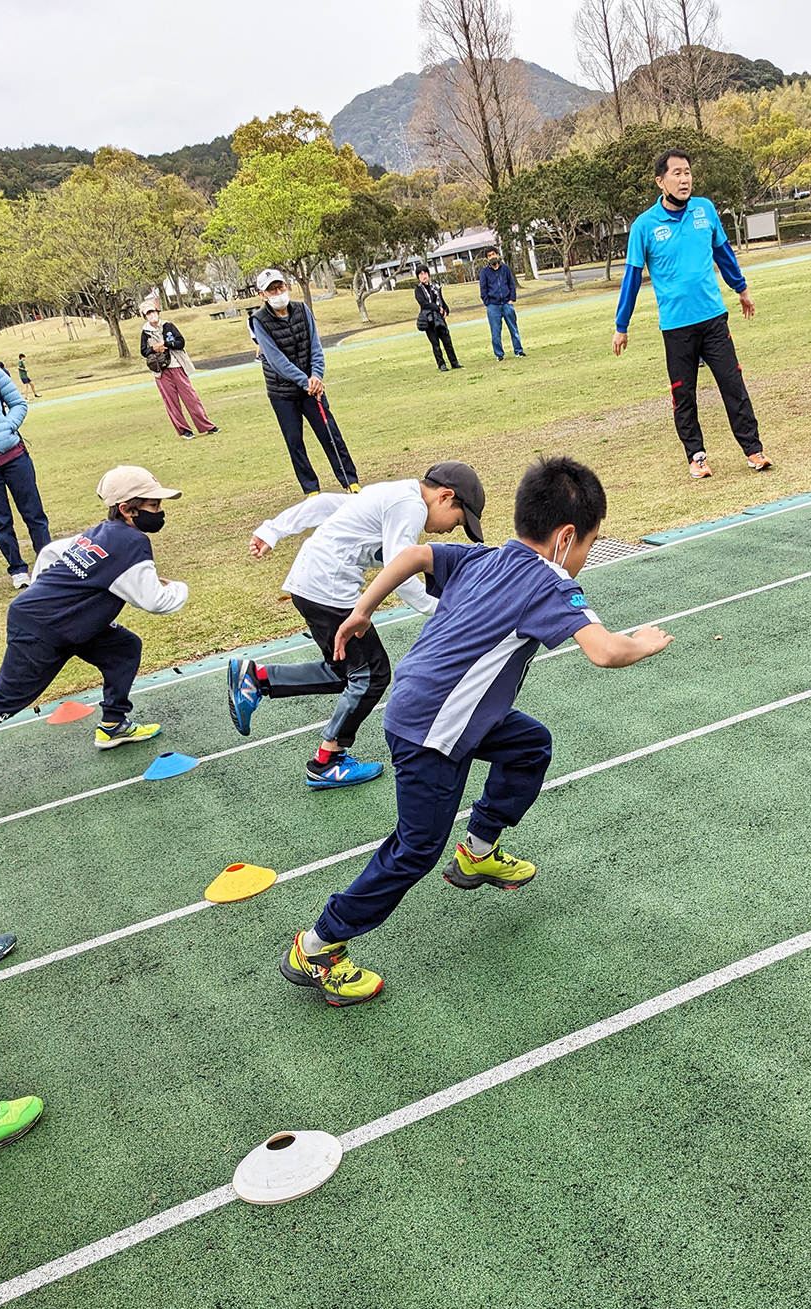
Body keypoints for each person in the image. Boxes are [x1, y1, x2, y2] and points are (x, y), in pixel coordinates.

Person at [279, 456, 674, 1005]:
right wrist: (645, 641)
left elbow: (415, 556)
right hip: (432, 730)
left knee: (530, 744)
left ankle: (478, 849)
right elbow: (605, 651)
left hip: (445, 711)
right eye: (589, 543)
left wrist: (364, 608)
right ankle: (317, 946)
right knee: (415, 849)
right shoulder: (550, 584)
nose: (584, 555)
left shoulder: (483, 558)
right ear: (565, 537)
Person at [227, 462, 485, 789]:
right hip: (328, 591)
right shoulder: (411, 506)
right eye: (458, 521)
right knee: (373, 674)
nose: (451, 530)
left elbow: (323, 504)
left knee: (345, 671)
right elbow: (400, 570)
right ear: (445, 497)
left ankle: (256, 679)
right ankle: (327, 760)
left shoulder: (393, 492)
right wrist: (444, 613)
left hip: (311, 585)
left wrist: (273, 529)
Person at [0, 465, 188, 755]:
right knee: (5, 700)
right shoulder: (133, 542)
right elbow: (156, 601)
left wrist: (50, 596)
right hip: (41, 630)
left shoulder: (101, 531)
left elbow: (50, 553)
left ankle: (113, 724)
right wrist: (179, 587)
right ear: (127, 509)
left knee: (123, 648)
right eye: (153, 504)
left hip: (64, 625)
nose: (159, 511)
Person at [613, 149, 773, 481]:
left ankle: (754, 450)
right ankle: (697, 457)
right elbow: (631, 277)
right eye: (676, 173)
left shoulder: (705, 209)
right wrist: (621, 325)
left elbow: (723, 253)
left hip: (714, 318)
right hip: (676, 327)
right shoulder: (644, 226)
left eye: (687, 172)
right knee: (683, 394)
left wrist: (741, 289)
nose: (684, 179)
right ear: (661, 181)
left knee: (733, 384)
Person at [250, 268, 360, 497]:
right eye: (272, 289)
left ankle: (350, 481)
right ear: (263, 294)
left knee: (330, 433)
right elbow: (275, 358)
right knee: (294, 441)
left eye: (281, 287)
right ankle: (311, 489)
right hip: (283, 392)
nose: (279, 292)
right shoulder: (259, 321)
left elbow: (315, 346)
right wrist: (305, 381)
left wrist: (316, 376)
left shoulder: (302, 309)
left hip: (312, 387)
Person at [0, 341, 50, 589]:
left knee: (34, 512)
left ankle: (46, 562)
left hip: (14, 455)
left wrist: (7, 427)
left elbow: (18, 403)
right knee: (0, 520)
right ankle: (17, 570)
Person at [139, 299, 218, 440]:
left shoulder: (168, 326)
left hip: (177, 366)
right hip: (160, 371)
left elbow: (181, 342)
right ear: (145, 316)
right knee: (171, 401)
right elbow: (144, 351)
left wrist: (167, 344)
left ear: (157, 312)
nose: (152, 315)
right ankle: (185, 430)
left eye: (153, 311)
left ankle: (206, 425)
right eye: (148, 313)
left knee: (191, 397)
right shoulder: (145, 332)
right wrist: (154, 348)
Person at [478, 248, 525, 362]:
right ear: (487, 259)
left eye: (493, 254)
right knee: (495, 332)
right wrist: (488, 303)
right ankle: (499, 354)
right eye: (489, 256)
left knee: (513, 328)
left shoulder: (505, 269)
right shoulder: (484, 272)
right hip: (493, 306)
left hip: (507, 303)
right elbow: (483, 289)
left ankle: (518, 351)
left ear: (498, 255)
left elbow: (511, 284)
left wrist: (511, 299)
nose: (492, 257)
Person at [414, 268, 462, 372]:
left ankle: (454, 362)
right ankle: (441, 364)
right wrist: (437, 308)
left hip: (439, 318)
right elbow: (424, 304)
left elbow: (441, 300)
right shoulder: (418, 290)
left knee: (447, 341)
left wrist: (445, 309)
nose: (423, 276)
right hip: (429, 319)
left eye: (425, 273)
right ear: (418, 277)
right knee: (435, 344)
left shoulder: (435, 287)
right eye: (421, 274)